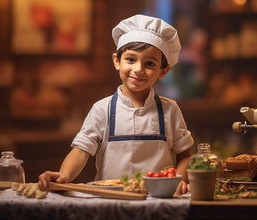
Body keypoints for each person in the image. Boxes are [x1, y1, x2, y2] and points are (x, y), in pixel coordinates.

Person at [38, 14, 194, 195]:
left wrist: (178, 181)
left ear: (163, 71)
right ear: (116, 61)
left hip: (157, 199)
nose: (139, 69)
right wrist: (63, 176)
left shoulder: (170, 110)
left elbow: (185, 156)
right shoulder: (101, 109)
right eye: (131, 59)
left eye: (150, 63)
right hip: (108, 199)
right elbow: (81, 150)